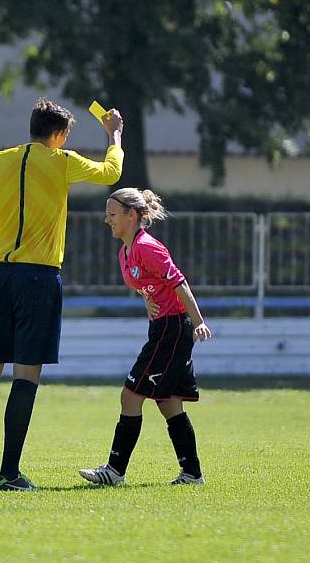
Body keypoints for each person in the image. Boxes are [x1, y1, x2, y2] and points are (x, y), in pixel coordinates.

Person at [0, 97, 124, 491]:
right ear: (59, 135)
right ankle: (9, 474)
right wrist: (114, 134)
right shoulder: (62, 160)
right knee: (26, 376)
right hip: (39, 279)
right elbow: (111, 173)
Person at [79, 187, 211, 487]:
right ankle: (192, 474)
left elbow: (179, 282)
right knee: (169, 402)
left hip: (172, 330)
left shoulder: (147, 246)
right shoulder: (126, 250)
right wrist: (144, 297)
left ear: (132, 215)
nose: (107, 220)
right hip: (163, 327)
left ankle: (114, 471)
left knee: (130, 395)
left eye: (112, 214)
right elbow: (148, 281)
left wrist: (198, 321)